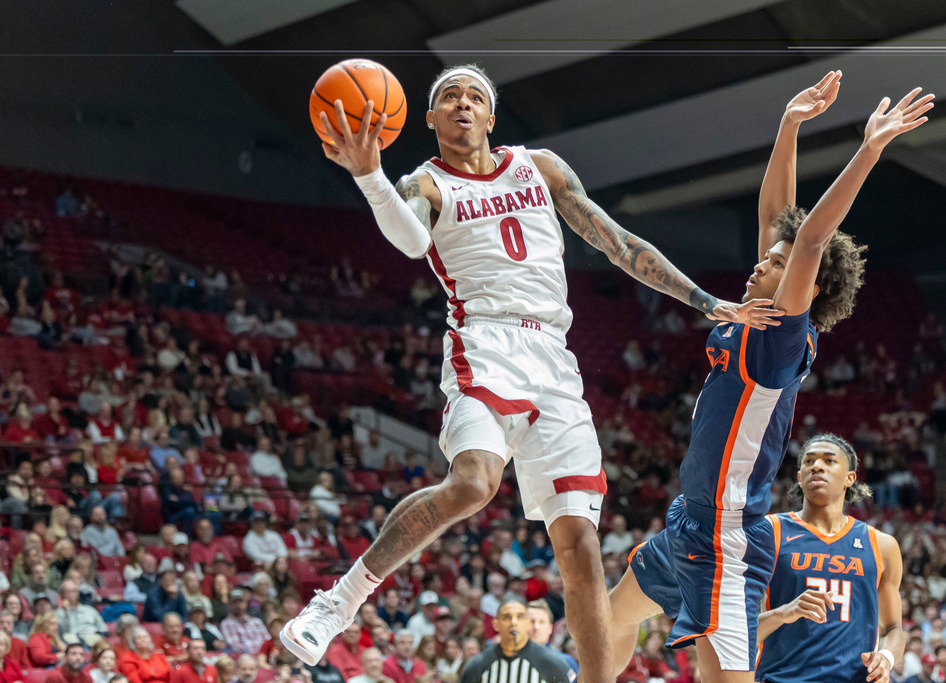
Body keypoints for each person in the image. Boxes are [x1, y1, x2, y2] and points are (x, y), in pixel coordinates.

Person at [284, 65, 779, 681]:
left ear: (491, 118)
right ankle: (340, 602)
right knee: (472, 483)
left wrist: (706, 301)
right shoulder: (425, 184)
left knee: (582, 549)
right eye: (447, 98)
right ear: (429, 118)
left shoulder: (539, 167)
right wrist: (369, 177)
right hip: (484, 339)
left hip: (554, 357)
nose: (462, 104)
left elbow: (616, 242)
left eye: (475, 97)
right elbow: (412, 241)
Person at [610, 74, 933, 682]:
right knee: (611, 619)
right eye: (769, 258)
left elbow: (809, 237)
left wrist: (868, 149)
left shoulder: (783, 339)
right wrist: (789, 125)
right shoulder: (753, 313)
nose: (765, 260)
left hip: (729, 538)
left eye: (780, 265)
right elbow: (779, 220)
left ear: (805, 287)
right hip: (691, 517)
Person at [755, 434, 905, 683]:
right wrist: (782, 613)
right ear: (800, 477)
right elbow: (737, 629)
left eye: (829, 461)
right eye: (809, 461)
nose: (817, 466)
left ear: (850, 478)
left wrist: (886, 657)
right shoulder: (767, 532)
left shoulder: (882, 545)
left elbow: (894, 629)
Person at [459, 601, 569, 683]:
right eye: (507, 617)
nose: (514, 622)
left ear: (527, 624)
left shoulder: (552, 663)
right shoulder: (477, 665)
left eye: (520, 617)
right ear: (496, 624)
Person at [527, 600, 578, 681]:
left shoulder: (566, 662)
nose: (536, 627)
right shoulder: (510, 660)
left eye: (541, 622)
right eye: (531, 622)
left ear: (550, 628)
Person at [57, 579, 110, 646]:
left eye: (73, 591)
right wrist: (66, 612)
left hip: (91, 637)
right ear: (62, 595)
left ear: (78, 593)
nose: (71, 594)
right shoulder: (59, 613)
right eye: (67, 592)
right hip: (72, 641)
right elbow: (62, 632)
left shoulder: (89, 610)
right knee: (70, 638)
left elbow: (103, 629)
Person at [221, 589, 271, 657]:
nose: (238, 605)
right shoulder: (226, 624)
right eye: (234, 602)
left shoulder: (257, 622)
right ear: (229, 605)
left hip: (262, 658)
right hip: (242, 660)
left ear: (246, 603)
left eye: (240, 602)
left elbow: (268, 642)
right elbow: (235, 647)